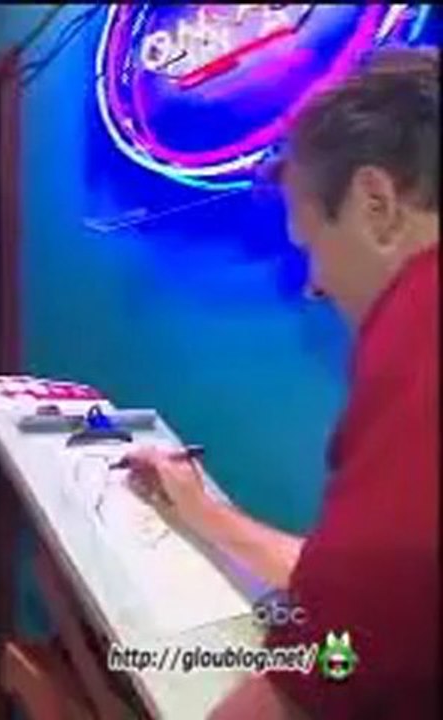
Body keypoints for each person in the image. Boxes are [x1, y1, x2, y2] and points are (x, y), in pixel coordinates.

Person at [126, 46, 439, 719]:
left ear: (377, 204)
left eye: (311, 245)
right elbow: (378, 583)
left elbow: (340, 660)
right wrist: (201, 511)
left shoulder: (421, 316)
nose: (314, 284)